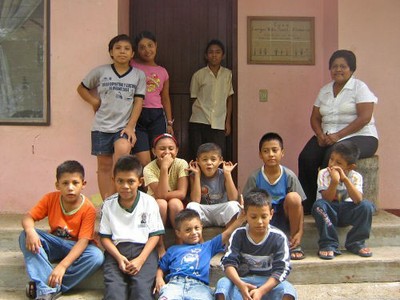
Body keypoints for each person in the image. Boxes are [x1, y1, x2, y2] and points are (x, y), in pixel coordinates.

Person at [298, 49, 378, 214]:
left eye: (343, 66)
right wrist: (320, 135)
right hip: (328, 136)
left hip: (361, 136)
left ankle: (331, 205)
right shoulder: (325, 90)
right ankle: (309, 204)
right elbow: (314, 117)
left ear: (352, 69)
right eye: (334, 66)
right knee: (306, 157)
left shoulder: (359, 87)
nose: (338, 70)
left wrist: (338, 136)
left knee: (332, 157)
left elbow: (365, 117)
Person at [19, 160, 104, 300]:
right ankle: (49, 287)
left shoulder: (88, 208)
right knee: (24, 236)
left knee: (96, 257)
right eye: (65, 183)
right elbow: (28, 217)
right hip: (54, 243)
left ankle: (46, 287)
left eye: (75, 183)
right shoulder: (50, 198)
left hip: (76, 247)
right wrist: (30, 231)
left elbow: (83, 241)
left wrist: (62, 267)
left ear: (83, 184)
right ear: (57, 185)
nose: (70, 188)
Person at [77, 34, 146, 200]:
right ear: (111, 52)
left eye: (127, 49)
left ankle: (118, 200)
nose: (122, 52)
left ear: (132, 54)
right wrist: (94, 101)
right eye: (118, 48)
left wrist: (131, 126)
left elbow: (138, 102)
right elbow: (81, 88)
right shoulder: (101, 71)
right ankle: (107, 203)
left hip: (124, 127)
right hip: (101, 126)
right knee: (104, 166)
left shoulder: (138, 75)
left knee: (121, 160)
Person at [99, 155, 165, 299]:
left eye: (131, 181)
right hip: (116, 251)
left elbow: (155, 235)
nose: (125, 186)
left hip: (143, 251)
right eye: (120, 181)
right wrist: (118, 258)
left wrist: (140, 260)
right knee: (114, 291)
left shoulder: (149, 202)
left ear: (140, 182)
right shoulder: (109, 204)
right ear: (113, 181)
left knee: (141, 291)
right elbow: (105, 238)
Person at [215, 189, 297, 300]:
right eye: (253, 217)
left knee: (287, 291)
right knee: (223, 285)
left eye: (264, 216)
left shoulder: (279, 237)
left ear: (271, 214)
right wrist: (240, 285)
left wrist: (261, 291)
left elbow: (282, 269)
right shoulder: (238, 235)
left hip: (268, 282)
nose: (259, 222)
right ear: (245, 215)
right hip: (243, 281)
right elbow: (228, 263)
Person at [154, 208, 246, 300]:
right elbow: (161, 267)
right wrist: (159, 278)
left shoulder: (208, 247)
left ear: (201, 227)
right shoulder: (173, 250)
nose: (193, 232)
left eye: (196, 228)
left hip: (199, 286)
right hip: (175, 284)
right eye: (188, 230)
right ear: (178, 233)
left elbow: (227, 234)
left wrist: (241, 219)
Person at [242, 132, 306, 260]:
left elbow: (299, 206)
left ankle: (294, 244)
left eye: (274, 150)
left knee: (294, 197)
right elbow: (246, 206)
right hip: (263, 218)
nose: (270, 154)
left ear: (282, 152)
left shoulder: (289, 176)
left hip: (284, 216)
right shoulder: (255, 177)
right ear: (260, 154)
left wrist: (300, 231)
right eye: (266, 151)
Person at [312, 141, 375, 260]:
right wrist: (334, 182)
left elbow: (358, 200)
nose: (332, 164)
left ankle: (356, 243)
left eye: (338, 162)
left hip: (347, 210)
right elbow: (327, 199)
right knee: (319, 205)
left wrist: (345, 180)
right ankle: (328, 244)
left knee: (367, 206)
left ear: (350, 167)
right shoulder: (324, 173)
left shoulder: (356, 176)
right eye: (331, 159)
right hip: (329, 212)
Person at [130, 31, 174, 166]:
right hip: (138, 115)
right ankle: (143, 187)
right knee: (144, 161)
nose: (147, 50)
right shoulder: (131, 66)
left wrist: (170, 123)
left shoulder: (163, 72)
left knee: (159, 159)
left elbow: (165, 98)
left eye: (150, 45)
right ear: (136, 50)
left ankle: (158, 187)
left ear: (156, 45)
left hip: (157, 116)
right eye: (142, 47)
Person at [143, 133, 189, 255]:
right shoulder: (148, 169)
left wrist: (163, 195)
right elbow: (160, 197)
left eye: (171, 148)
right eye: (162, 149)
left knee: (175, 202)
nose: (167, 152)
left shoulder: (181, 164)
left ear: (177, 150)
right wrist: (164, 168)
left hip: (175, 212)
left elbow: (182, 193)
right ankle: (159, 244)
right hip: (157, 212)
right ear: (154, 151)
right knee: (161, 204)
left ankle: (180, 241)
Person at [188, 39, 234, 159]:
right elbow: (193, 98)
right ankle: (196, 178)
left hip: (219, 122)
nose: (214, 55)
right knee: (198, 156)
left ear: (222, 55)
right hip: (199, 120)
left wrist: (227, 122)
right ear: (206, 55)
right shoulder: (198, 75)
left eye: (218, 52)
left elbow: (229, 99)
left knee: (216, 157)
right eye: (211, 52)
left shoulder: (228, 74)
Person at [186, 142, 241, 227]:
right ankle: (199, 238)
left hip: (221, 212)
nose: (209, 162)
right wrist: (197, 175)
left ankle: (228, 236)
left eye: (213, 159)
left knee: (234, 205)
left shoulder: (224, 174)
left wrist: (228, 174)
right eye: (204, 159)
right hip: (204, 213)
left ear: (220, 160)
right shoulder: (194, 176)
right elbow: (195, 200)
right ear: (198, 161)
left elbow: (233, 198)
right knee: (191, 206)